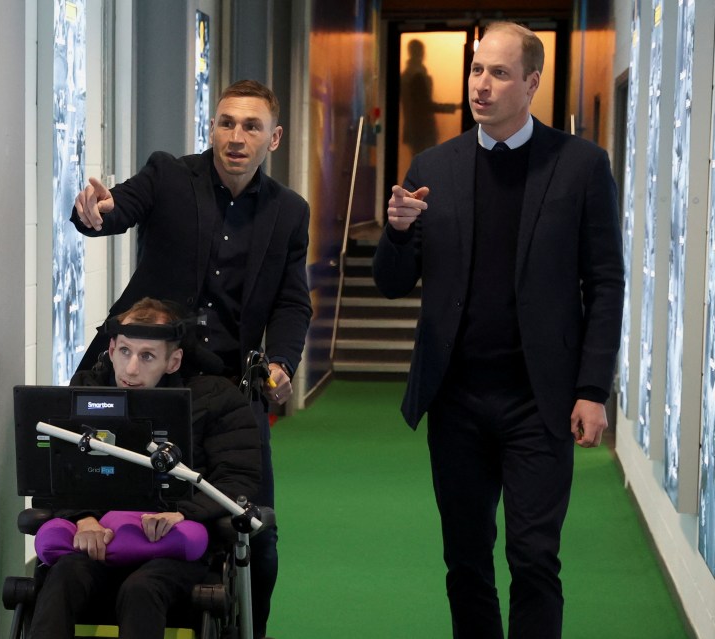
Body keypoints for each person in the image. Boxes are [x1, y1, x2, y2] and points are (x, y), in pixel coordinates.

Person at [373, 22, 623, 638]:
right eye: (477, 69)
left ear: (532, 82)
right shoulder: (435, 164)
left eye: (500, 73)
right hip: (456, 399)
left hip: (540, 399)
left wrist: (593, 388)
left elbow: (606, 282)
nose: (481, 85)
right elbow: (392, 283)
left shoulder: (581, 166)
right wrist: (398, 232)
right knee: (466, 561)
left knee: (534, 559)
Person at [72, 79, 312, 638]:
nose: (236, 136)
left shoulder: (288, 213)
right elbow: (118, 207)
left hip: (227, 390)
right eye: (227, 122)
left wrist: (281, 363)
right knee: (101, 501)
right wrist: (95, 213)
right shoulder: (169, 176)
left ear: (272, 138)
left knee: (260, 536)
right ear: (212, 128)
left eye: (251, 127)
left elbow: (292, 301)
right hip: (144, 376)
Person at [27, 298, 261, 639]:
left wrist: (185, 514)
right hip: (99, 541)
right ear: (110, 348)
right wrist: (83, 517)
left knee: (141, 589)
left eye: (147, 356)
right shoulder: (87, 392)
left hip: (173, 547)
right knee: (61, 576)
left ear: (173, 360)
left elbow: (238, 478)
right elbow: (59, 473)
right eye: (124, 351)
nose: (131, 369)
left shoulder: (217, 400)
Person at [400, 39, 458, 156]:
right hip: (423, 131)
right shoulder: (417, 75)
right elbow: (425, 105)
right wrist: (454, 107)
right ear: (420, 53)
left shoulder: (406, 75)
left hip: (413, 130)